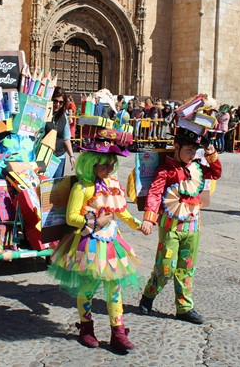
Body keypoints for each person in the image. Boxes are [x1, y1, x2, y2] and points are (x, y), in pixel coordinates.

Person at [47, 132, 148, 351]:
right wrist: (96, 221)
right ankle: (86, 327)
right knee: (88, 287)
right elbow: (71, 217)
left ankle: (118, 332)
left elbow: (121, 211)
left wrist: (137, 224)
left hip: (112, 243)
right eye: (104, 165)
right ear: (92, 164)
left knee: (114, 289)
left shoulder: (112, 184)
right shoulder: (82, 187)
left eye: (112, 165)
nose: (109, 170)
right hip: (88, 244)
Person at [138, 128, 222, 324]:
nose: (192, 154)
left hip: (192, 226)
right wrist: (149, 219)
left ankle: (184, 307)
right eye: (188, 150)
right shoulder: (165, 171)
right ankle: (149, 294)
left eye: (194, 151)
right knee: (166, 266)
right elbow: (155, 194)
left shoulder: (197, 168)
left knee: (187, 267)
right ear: (177, 147)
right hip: (171, 226)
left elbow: (216, 172)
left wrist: (211, 154)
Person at [44, 87, 76, 178]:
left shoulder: (64, 116)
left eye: (61, 102)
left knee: (57, 185)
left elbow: (66, 138)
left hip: (59, 157)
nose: (58, 104)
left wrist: (71, 156)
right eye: (55, 101)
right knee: (43, 185)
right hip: (45, 156)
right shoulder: (44, 113)